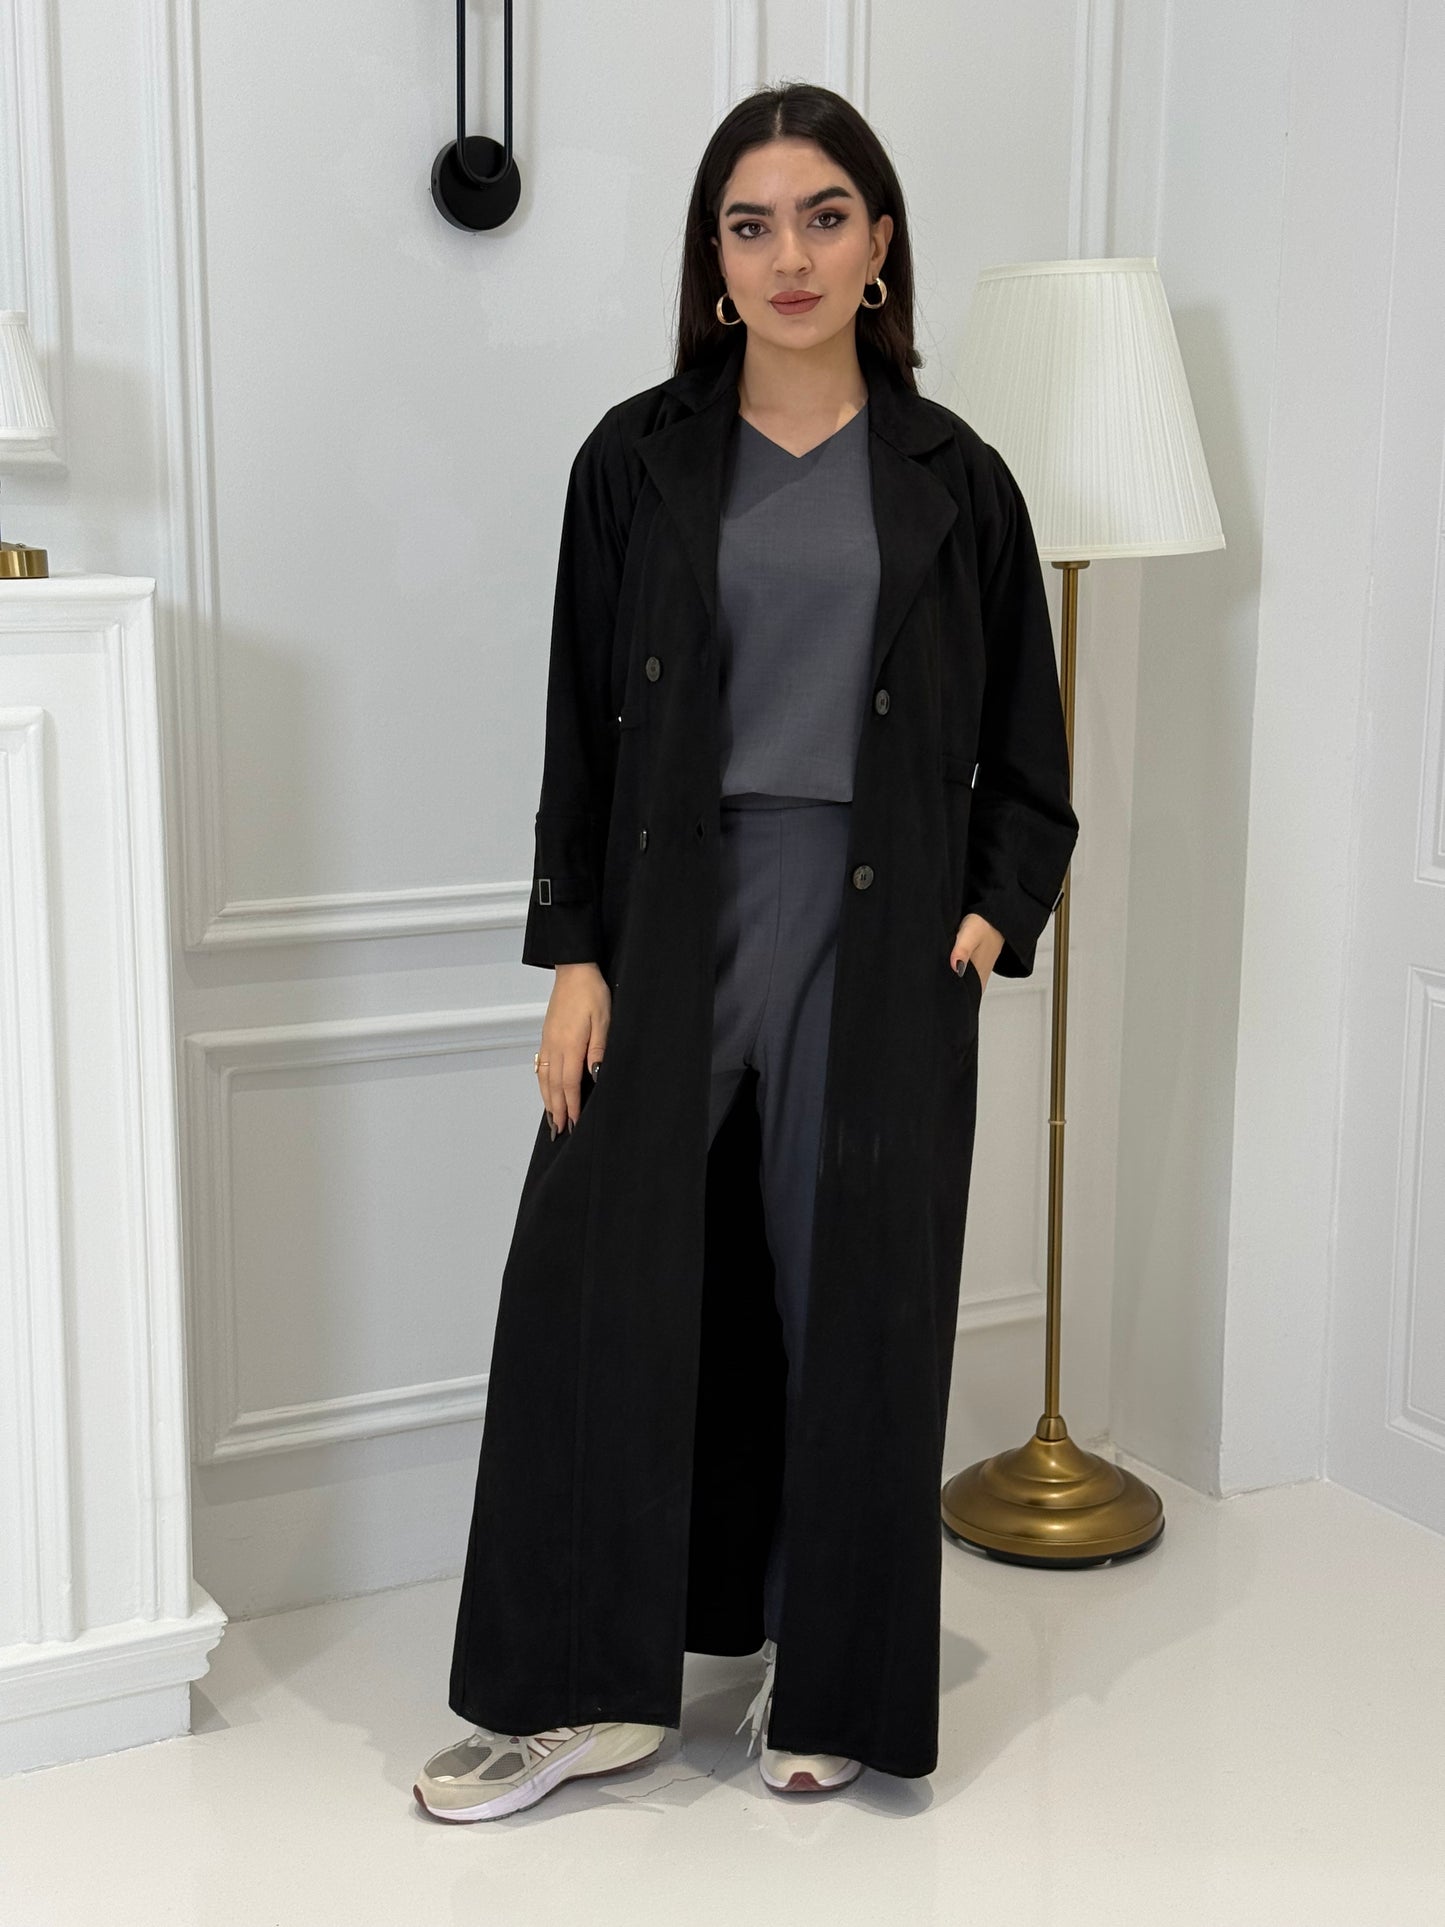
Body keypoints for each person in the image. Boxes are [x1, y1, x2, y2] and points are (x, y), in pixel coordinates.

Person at [415, 81, 1078, 1823]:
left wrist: (988, 914)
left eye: (824, 215)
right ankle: (581, 1697)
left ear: (879, 246)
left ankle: (830, 1663)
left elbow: (1028, 747)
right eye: (749, 222)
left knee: (850, 1299)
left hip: (879, 934)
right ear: (711, 260)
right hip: (666, 915)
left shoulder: (959, 479)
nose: (788, 254)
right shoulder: (632, 459)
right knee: (585, 1284)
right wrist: (574, 956)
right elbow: (578, 729)